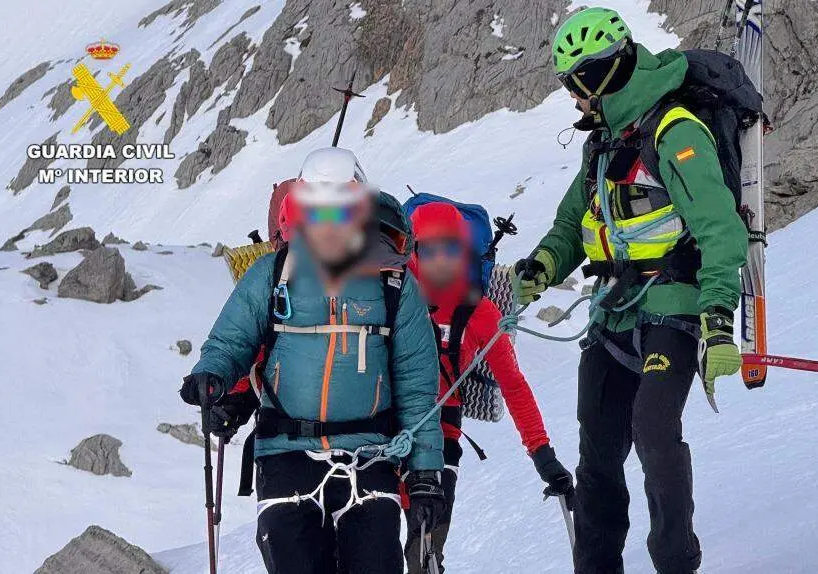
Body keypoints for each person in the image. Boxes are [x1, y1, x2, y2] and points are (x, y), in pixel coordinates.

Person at [513, 8, 748, 574]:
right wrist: (542, 265)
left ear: (592, 77)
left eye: (573, 84)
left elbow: (720, 230)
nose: (571, 98)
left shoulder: (676, 131)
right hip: (611, 314)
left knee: (654, 435)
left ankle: (674, 560)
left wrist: (718, 318)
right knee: (597, 455)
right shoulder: (606, 141)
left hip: (674, 308)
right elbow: (573, 223)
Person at [179, 147, 446, 574]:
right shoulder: (271, 274)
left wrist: (426, 473)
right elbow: (231, 340)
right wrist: (210, 376)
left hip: (371, 458)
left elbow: (417, 386)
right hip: (285, 458)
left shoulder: (396, 283)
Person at [403, 201, 574, 573]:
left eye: (451, 249)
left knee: (425, 552)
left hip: (442, 437)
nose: (441, 260)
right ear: (414, 249)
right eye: (430, 249)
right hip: (388, 432)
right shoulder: (390, 297)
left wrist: (542, 453)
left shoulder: (478, 311)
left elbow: (513, 385)